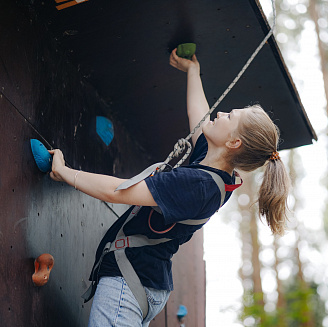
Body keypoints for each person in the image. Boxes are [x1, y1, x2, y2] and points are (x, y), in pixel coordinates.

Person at [48, 48, 290, 327]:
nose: (221, 113)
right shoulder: (215, 173)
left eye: (230, 117)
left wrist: (66, 173)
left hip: (130, 281)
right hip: (142, 279)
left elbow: (118, 191)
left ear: (234, 142)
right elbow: (200, 115)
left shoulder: (197, 185)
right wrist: (192, 71)